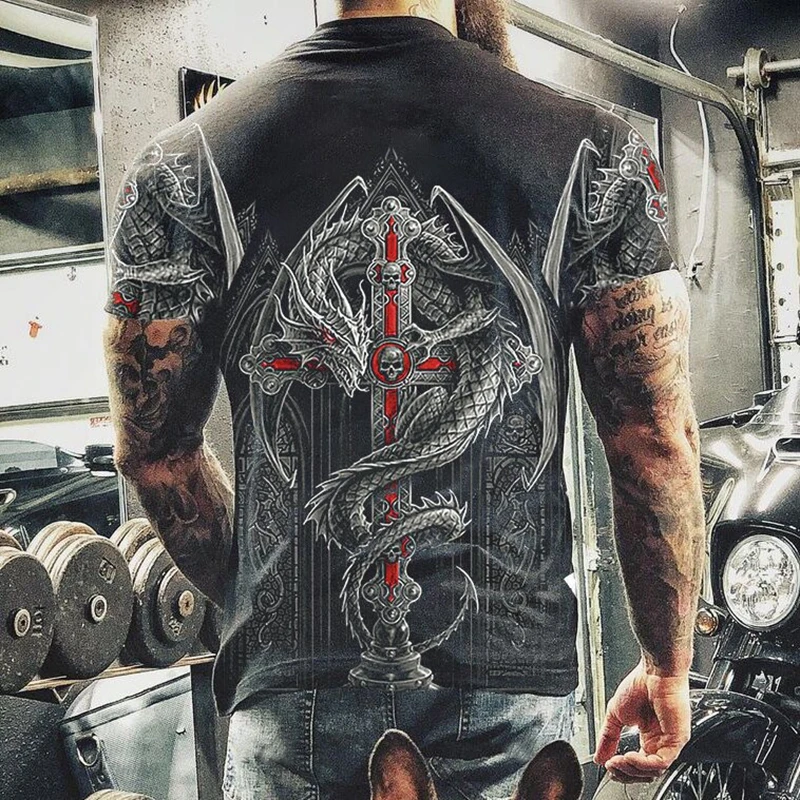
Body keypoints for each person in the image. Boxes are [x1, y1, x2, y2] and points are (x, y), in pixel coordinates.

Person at [103, 0, 705, 796]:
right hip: (508, 680)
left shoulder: (181, 168)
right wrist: (666, 661)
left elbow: (153, 454)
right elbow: (653, 441)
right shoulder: (595, 154)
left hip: (290, 702)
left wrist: (272, 604)